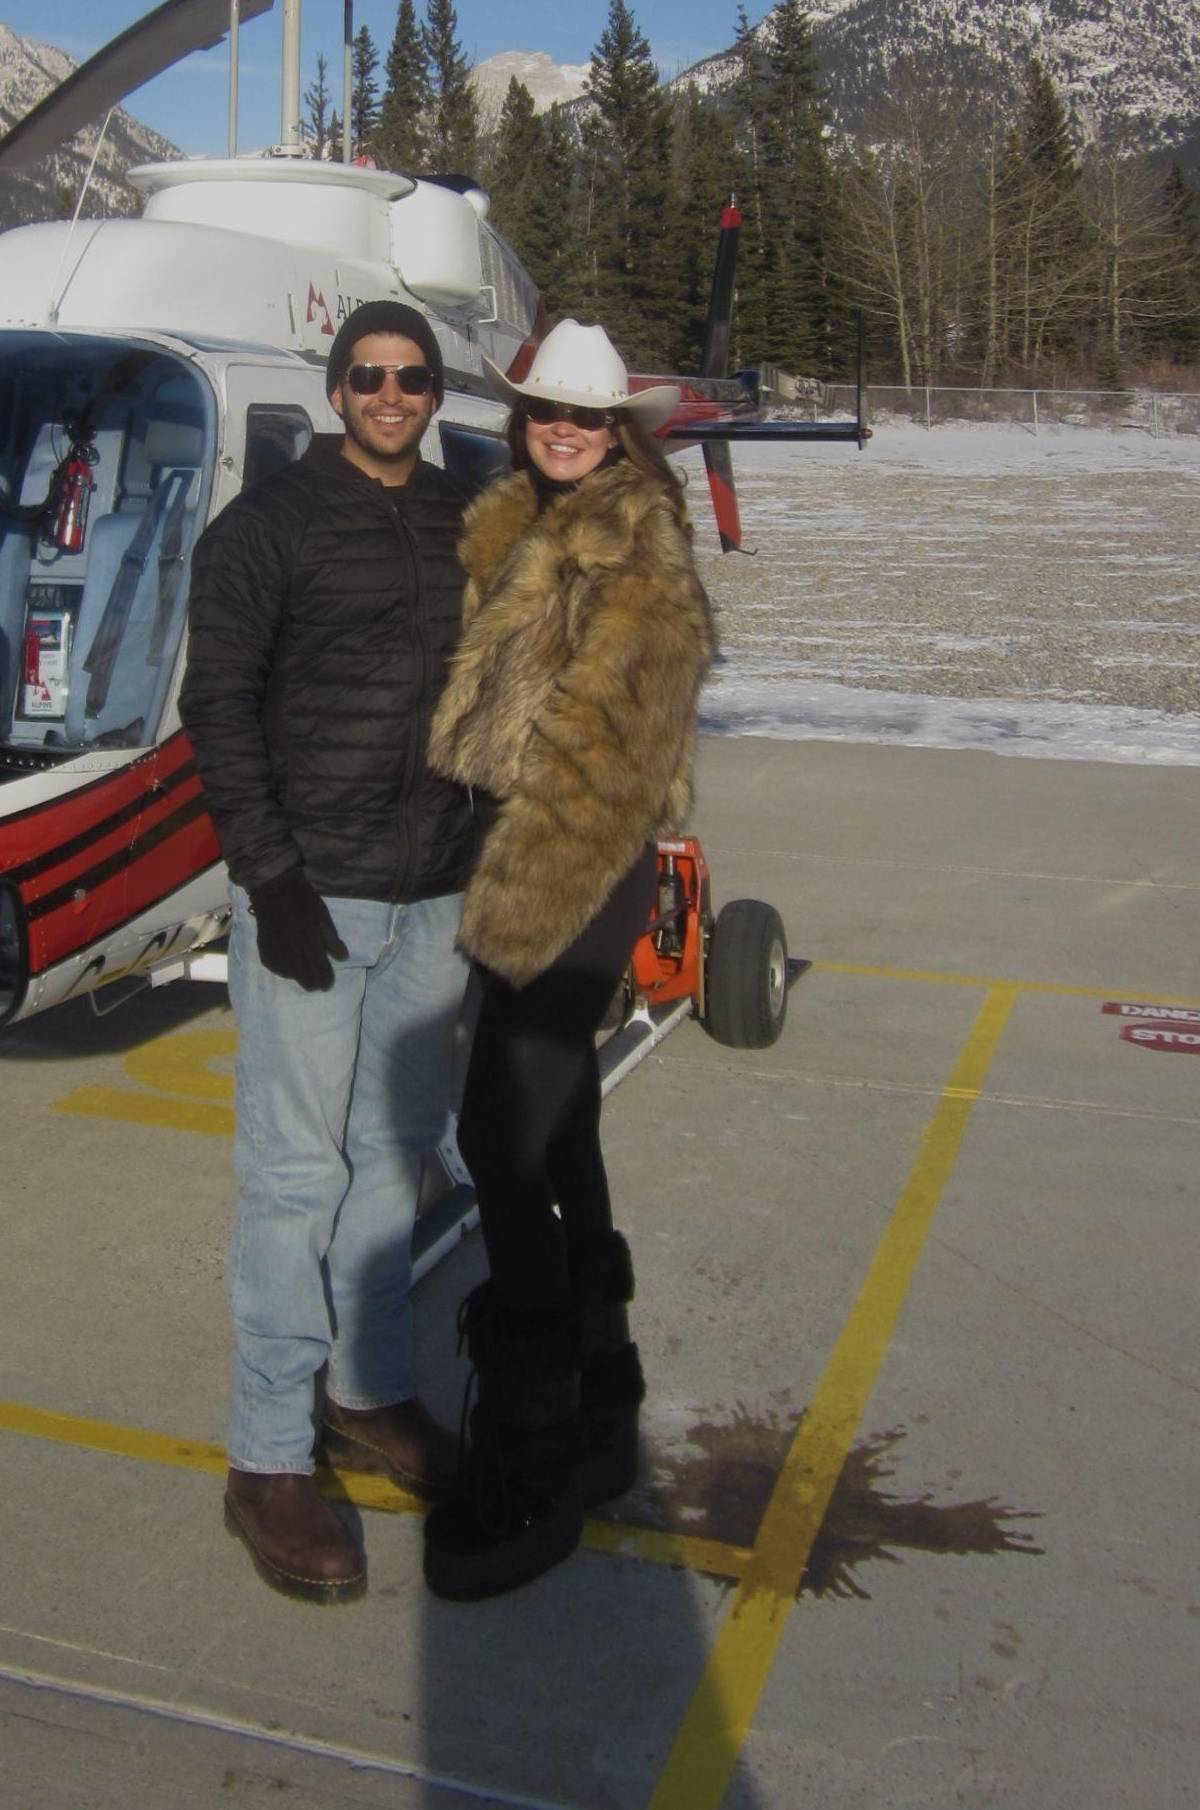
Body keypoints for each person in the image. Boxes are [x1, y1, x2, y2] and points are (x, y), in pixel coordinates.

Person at [178, 300, 478, 1604]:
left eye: (413, 376)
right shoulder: (265, 528)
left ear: (435, 388)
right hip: (317, 894)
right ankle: (265, 1455)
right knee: (296, 1170)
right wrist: (269, 874)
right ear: (336, 385)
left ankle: (366, 1390)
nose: (392, 393)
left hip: (439, 896)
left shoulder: (469, 523)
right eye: (369, 375)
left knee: (393, 1161)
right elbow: (217, 704)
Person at [420, 318, 716, 1601]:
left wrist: (530, 895)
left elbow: (614, 756)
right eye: (546, 409)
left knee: (499, 1139)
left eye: (586, 418)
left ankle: (535, 1455)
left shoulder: (631, 547)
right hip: (516, 851)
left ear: (620, 431)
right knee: (568, 1131)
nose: (563, 430)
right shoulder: (518, 523)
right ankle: (603, 1402)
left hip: (571, 864)